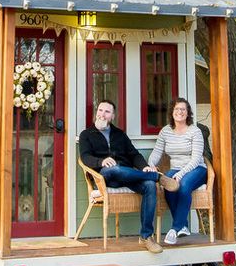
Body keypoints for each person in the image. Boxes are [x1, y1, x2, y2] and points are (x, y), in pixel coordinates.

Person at [79, 99, 178, 254]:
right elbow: (85, 158)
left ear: (112, 116)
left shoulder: (119, 134)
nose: (102, 115)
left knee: (149, 186)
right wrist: (102, 161)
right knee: (116, 169)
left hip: (128, 175)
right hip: (105, 176)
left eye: (107, 112)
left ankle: (146, 236)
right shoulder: (86, 134)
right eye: (100, 110)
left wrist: (144, 167)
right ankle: (157, 177)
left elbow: (134, 154)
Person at [147, 97, 207, 245]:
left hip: (196, 169)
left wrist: (180, 174)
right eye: (176, 109)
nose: (179, 112)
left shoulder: (195, 131)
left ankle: (175, 229)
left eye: (183, 109)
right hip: (175, 169)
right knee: (168, 185)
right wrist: (151, 164)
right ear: (172, 112)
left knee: (184, 185)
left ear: (188, 113)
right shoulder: (166, 131)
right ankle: (183, 226)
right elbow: (156, 152)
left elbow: (195, 159)